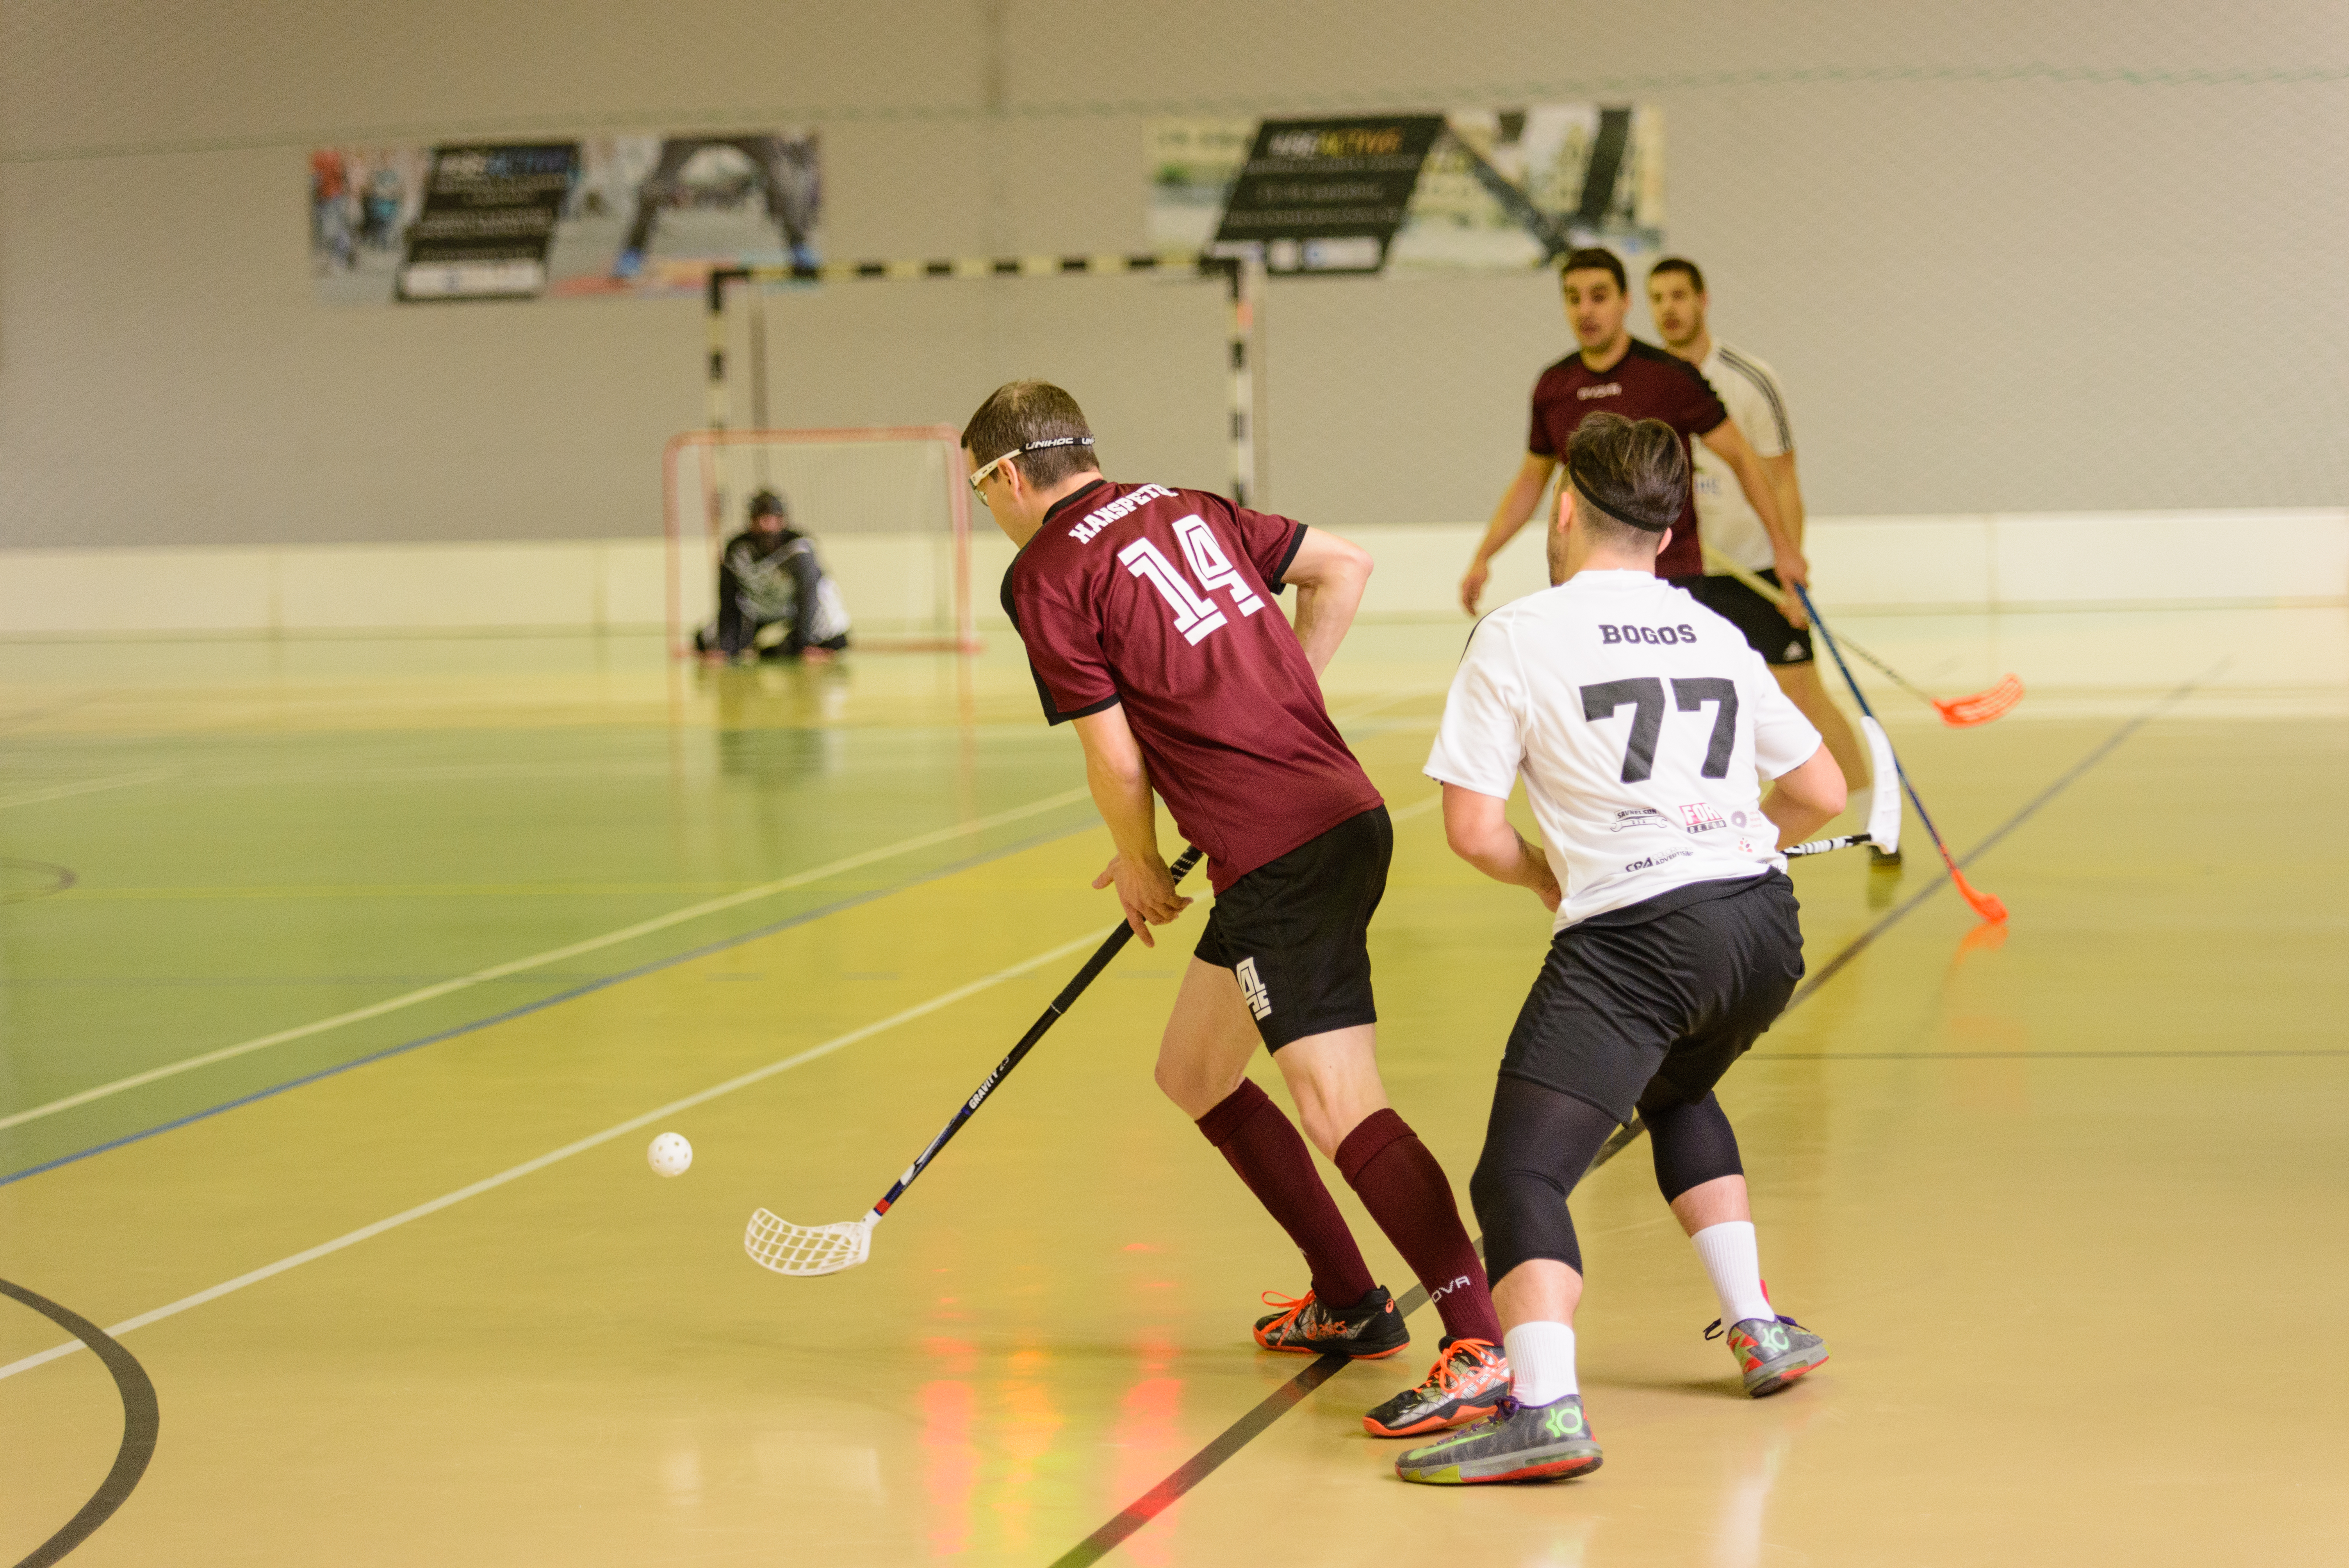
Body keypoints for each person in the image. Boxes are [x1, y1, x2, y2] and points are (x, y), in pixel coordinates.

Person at [967, 379, 1512, 1440]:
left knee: (1338, 1100)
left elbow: (1113, 751)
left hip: (1281, 851)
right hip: (1330, 816)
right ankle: (1352, 1303)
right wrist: (1277, 700)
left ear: (1008, 475)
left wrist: (1136, 863)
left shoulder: (1045, 571)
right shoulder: (1188, 504)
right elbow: (1343, 566)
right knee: (1196, 1072)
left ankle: (1480, 1341)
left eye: (982, 491)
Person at [1398, 413, 1840, 1486]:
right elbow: (1823, 790)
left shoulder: (1517, 633)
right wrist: (1722, 846)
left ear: (1563, 510)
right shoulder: (1711, 629)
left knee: (1519, 1176)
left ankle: (1545, 1410)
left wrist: (1543, 875)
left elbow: (1472, 828)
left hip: (1638, 944)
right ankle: (1760, 1326)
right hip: (1761, 929)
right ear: (1668, 526)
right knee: (1679, 1091)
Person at [1646, 257, 1884, 856]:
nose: (1669, 308)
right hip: (1685, 571)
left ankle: (1876, 820)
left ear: (1703, 300)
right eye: (1658, 298)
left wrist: (1790, 562)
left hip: (1753, 568)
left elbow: (1783, 480)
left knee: (1804, 696)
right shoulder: (1650, 382)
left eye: (1679, 295)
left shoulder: (1749, 379)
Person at [1457, 248, 1807, 626]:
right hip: (1584, 584)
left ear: (1625, 301)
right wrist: (1483, 555)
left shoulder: (1671, 377)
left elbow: (1742, 458)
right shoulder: (1553, 386)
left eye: (1599, 296)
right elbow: (1529, 481)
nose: (1585, 310)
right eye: (1574, 299)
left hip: (1671, 580)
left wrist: (1784, 551)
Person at [694, 489, 850, 663]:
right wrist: (725, 647)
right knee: (704, 641)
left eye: (770, 519)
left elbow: (808, 597)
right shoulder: (738, 550)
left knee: (835, 642)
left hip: (795, 607)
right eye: (758, 519)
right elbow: (729, 598)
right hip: (759, 607)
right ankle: (752, 646)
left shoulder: (799, 548)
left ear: (782, 521)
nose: (764, 525)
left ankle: (783, 646)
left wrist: (804, 645)